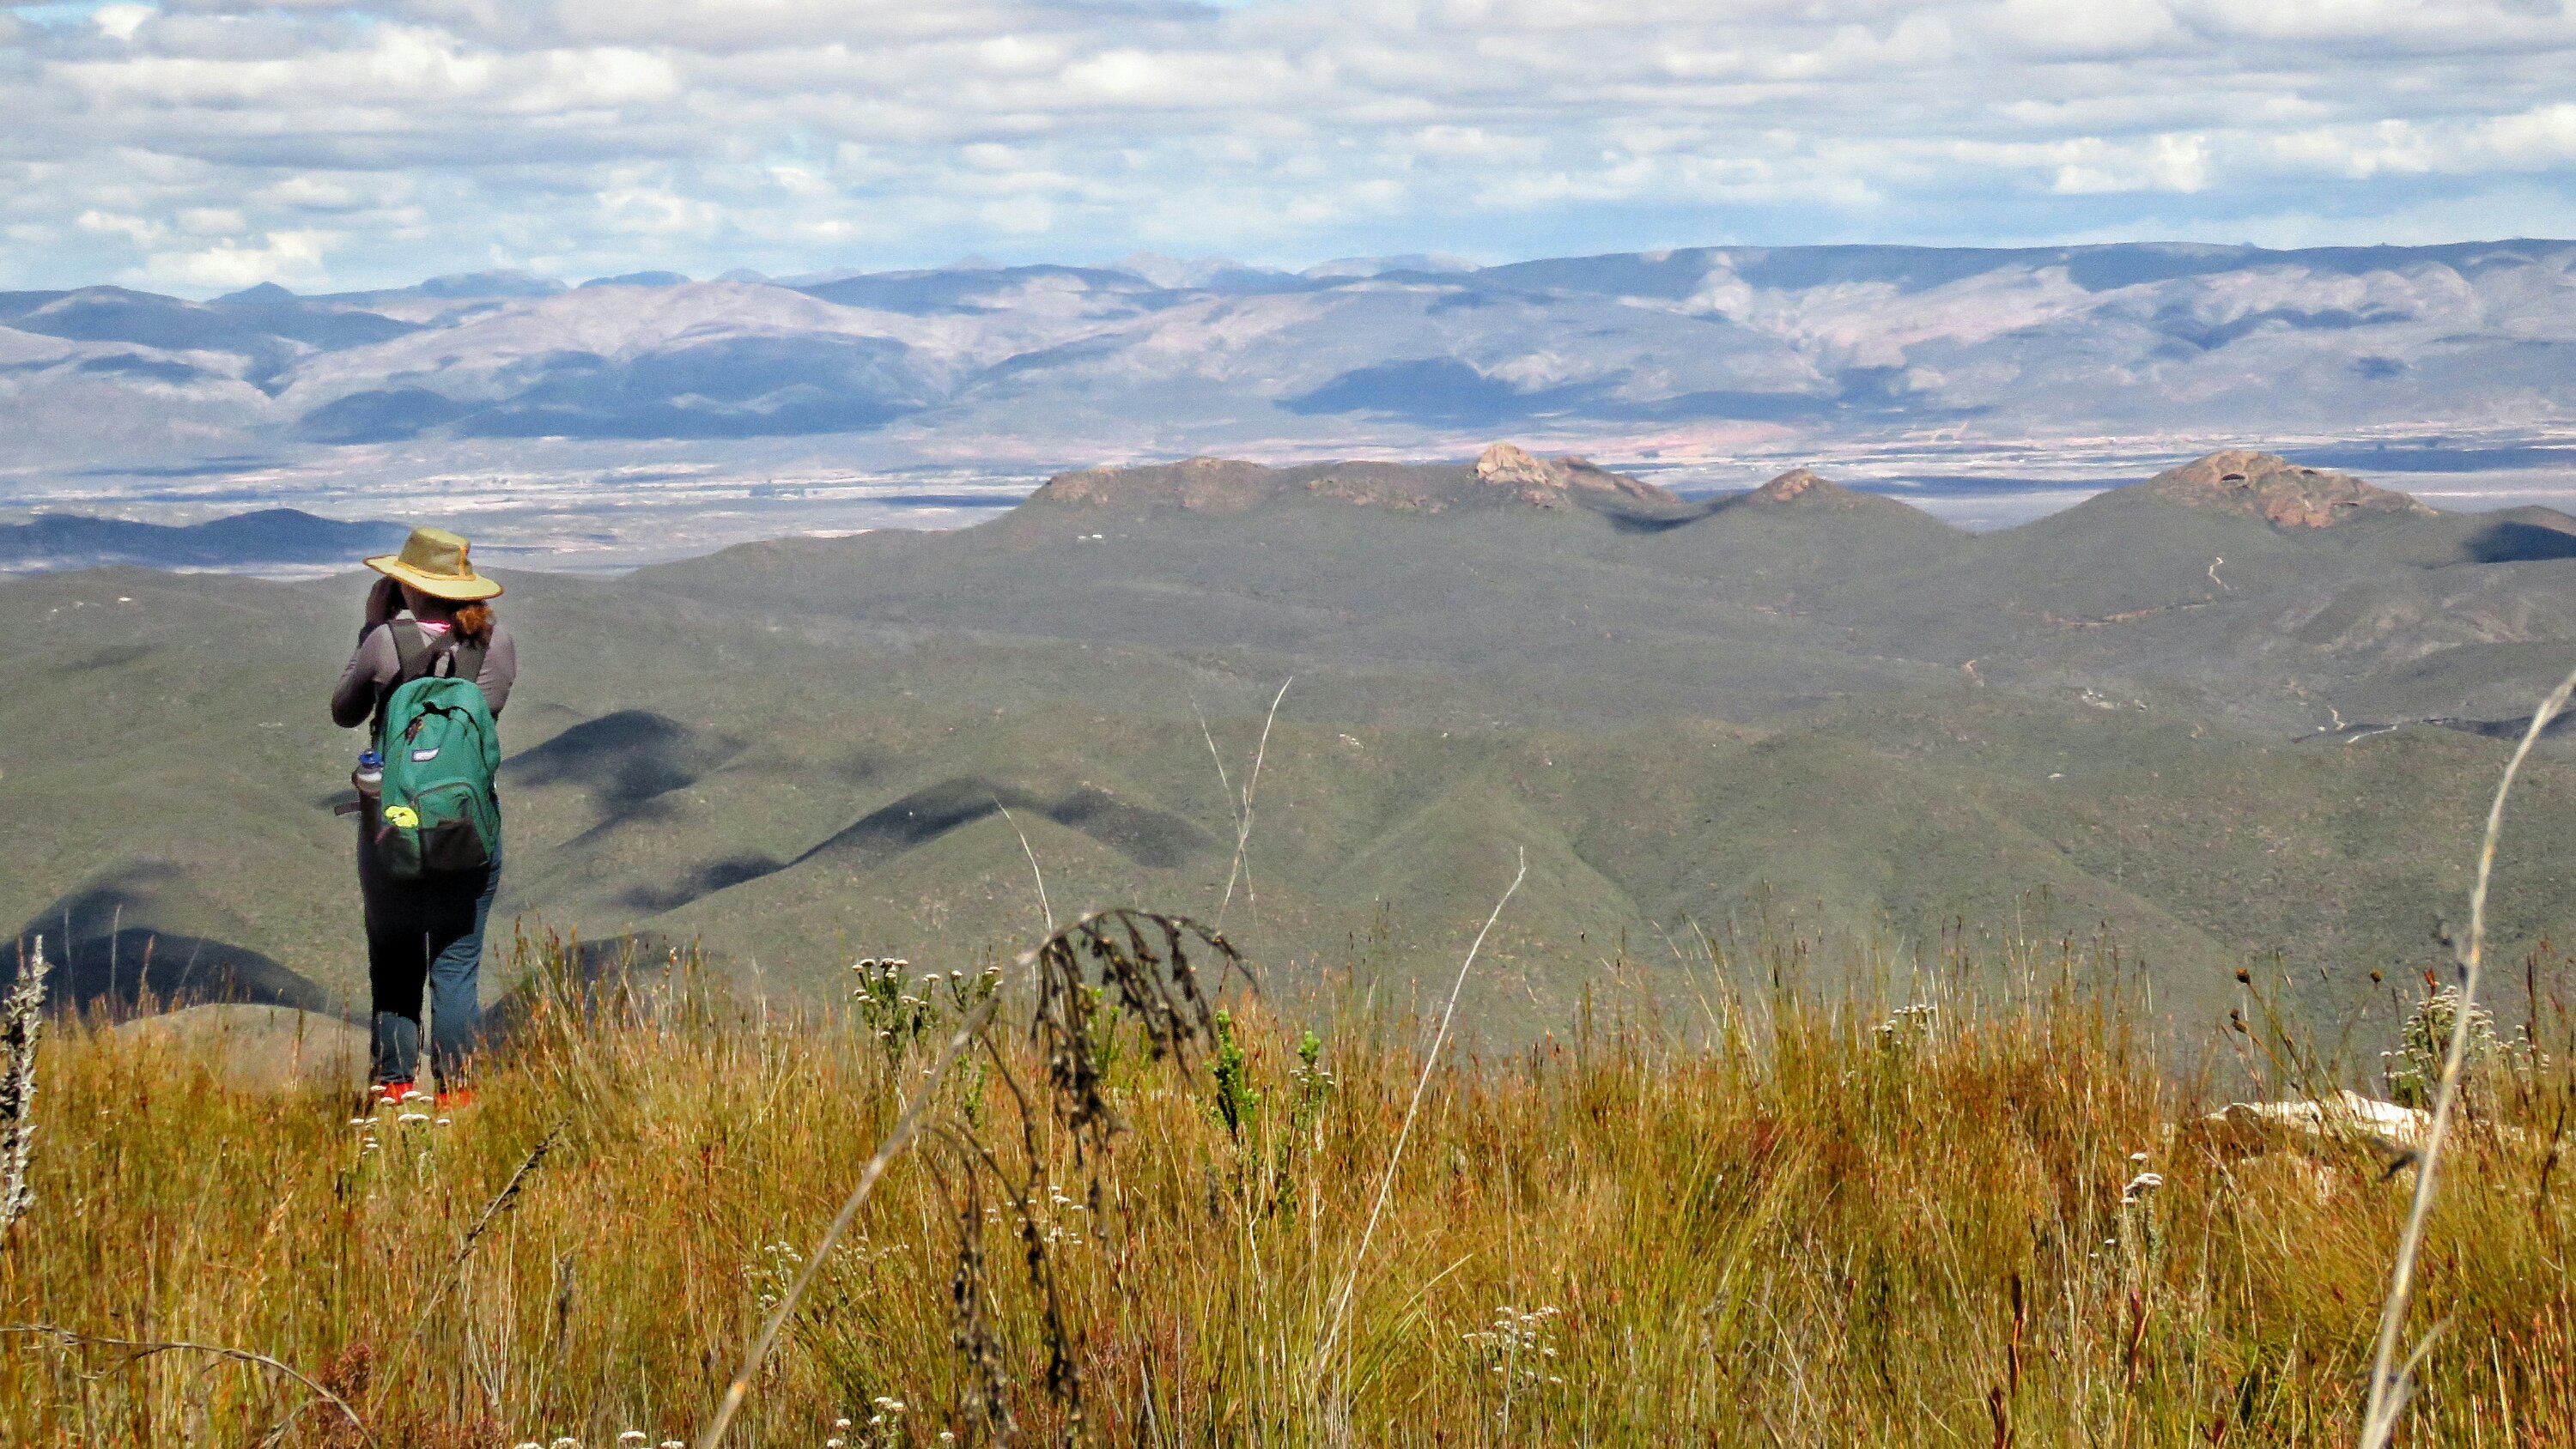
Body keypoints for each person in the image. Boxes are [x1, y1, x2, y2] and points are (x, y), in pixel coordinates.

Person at [330, 527, 516, 1109]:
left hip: (391, 829)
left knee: (394, 959)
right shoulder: (497, 642)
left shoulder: (385, 641)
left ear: (406, 583)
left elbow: (345, 711)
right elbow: (487, 717)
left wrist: (371, 629)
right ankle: (457, 1096)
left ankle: (394, 1088)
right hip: (468, 828)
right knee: (457, 965)